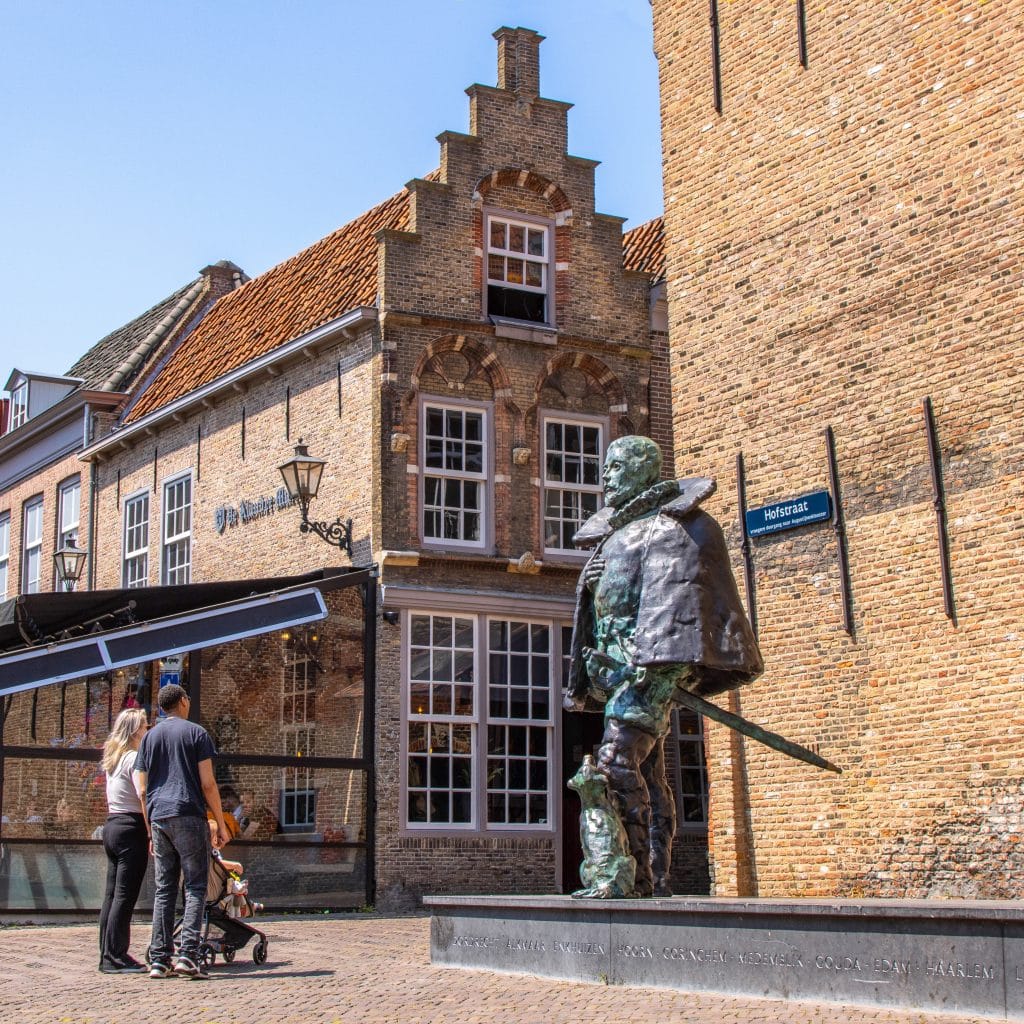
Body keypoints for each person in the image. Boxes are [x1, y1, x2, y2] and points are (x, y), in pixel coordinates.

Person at [564, 436, 763, 897]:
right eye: (606, 468)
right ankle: (653, 876)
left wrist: (658, 670)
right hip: (617, 670)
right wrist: (588, 587)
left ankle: (630, 877)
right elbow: (612, 607)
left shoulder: (677, 527)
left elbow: (681, 602)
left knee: (615, 761)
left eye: (615, 468)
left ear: (643, 471)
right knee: (650, 771)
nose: (605, 477)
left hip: (648, 671)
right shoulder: (615, 535)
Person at [135, 684, 230, 980]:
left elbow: (141, 788)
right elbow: (208, 783)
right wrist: (221, 822)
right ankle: (188, 955)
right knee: (195, 886)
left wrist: (150, 828)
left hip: (159, 818)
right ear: (184, 702)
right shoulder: (196, 734)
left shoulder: (149, 738)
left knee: (164, 889)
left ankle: (159, 959)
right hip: (188, 814)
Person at [97, 708, 150, 973]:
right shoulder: (133, 758)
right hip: (131, 827)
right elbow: (142, 792)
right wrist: (151, 829)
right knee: (125, 896)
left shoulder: (113, 758)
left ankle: (106, 954)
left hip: (113, 826)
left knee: (111, 895)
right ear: (134, 730)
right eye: (144, 726)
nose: (147, 730)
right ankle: (117, 956)